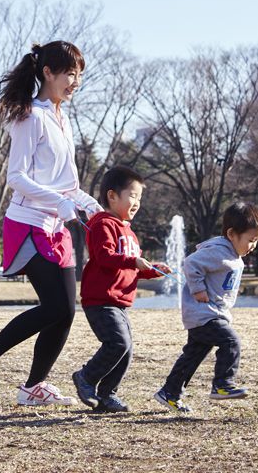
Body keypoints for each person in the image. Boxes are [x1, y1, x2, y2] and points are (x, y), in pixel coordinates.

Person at [0, 41, 102, 407]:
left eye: (79, 75)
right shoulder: (30, 116)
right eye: (70, 73)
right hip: (28, 224)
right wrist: (60, 203)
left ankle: (33, 387)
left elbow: (66, 183)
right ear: (48, 73)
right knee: (55, 306)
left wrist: (89, 205)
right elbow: (16, 177)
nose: (76, 81)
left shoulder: (62, 118)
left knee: (66, 310)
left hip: (57, 227)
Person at [72, 166, 171, 413]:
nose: (137, 202)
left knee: (125, 350)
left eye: (140, 198)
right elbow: (106, 257)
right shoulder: (102, 224)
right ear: (112, 196)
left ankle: (106, 395)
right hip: (100, 299)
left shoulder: (129, 232)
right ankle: (86, 377)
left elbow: (133, 266)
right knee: (117, 343)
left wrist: (154, 269)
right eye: (133, 196)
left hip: (119, 302)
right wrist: (133, 261)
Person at [155, 202, 258, 413]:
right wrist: (197, 289)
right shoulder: (219, 251)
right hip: (204, 314)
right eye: (251, 240)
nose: (253, 246)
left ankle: (169, 392)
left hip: (211, 314)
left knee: (193, 356)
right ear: (232, 234)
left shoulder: (233, 254)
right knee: (231, 341)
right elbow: (190, 264)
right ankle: (223, 385)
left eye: (256, 242)